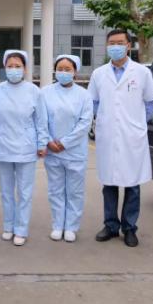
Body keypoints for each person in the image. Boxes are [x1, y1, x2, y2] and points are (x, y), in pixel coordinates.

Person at [88, 29, 153, 247]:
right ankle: (110, 226)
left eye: (119, 42)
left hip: (132, 136)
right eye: (111, 43)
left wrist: (139, 123)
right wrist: (101, 120)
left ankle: (129, 228)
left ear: (129, 45)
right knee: (109, 183)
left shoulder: (142, 72)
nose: (115, 46)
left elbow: (151, 101)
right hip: (108, 134)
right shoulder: (99, 74)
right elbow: (93, 102)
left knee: (132, 185)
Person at [0, 50, 49, 246]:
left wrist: (42, 143)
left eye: (18, 66)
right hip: (3, 146)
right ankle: (8, 226)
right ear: (4, 67)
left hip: (27, 147)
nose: (13, 69)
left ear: (25, 69)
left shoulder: (34, 91)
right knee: (6, 191)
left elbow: (41, 120)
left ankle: (21, 229)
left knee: (24, 192)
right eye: (10, 66)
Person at [42, 54, 93, 243]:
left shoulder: (84, 95)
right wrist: (49, 141)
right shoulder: (45, 92)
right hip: (52, 150)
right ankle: (57, 225)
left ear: (75, 72)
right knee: (55, 190)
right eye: (60, 69)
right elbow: (41, 120)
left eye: (67, 69)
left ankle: (71, 226)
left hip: (74, 151)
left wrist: (64, 143)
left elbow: (85, 123)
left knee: (74, 191)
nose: (63, 72)